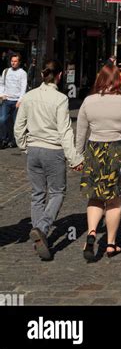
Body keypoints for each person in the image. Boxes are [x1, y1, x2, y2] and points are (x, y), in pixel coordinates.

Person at [14, 60, 83, 261]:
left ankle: (39, 236)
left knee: (37, 194)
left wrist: (24, 145)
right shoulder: (61, 99)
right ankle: (42, 228)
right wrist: (74, 158)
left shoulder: (29, 96)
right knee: (57, 192)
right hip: (53, 151)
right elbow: (65, 132)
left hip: (34, 150)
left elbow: (19, 127)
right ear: (60, 76)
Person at [76, 65, 121, 261]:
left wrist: (78, 156)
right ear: (119, 80)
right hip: (118, 151)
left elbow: (81, 131)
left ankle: (91, 233)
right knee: (114, 200)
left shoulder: (89, 101)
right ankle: (111, 244)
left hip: (95, 151)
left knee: (95, 196)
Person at [0, 53, 28, 148]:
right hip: (6, 100)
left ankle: (14, 141)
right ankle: (4, 139)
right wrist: (1, 94)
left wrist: (20, 100)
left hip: (17, 101)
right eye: (12, 61)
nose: (13, 63)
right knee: (2, 120)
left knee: (16, 123)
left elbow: (23, 88)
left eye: (15, 61)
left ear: (19, 62)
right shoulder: (6, 71)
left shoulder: (22, 73)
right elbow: (2, 84)